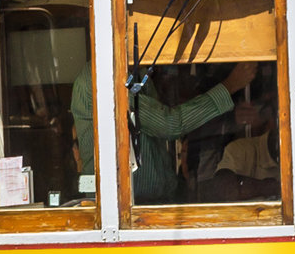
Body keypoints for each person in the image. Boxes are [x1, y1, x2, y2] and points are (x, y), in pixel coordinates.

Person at [71, 59, 257, 204]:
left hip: (150, 204)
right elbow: (169, 123)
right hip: (125, 211)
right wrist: (231, 84)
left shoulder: (134, 71)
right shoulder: (103, 76)